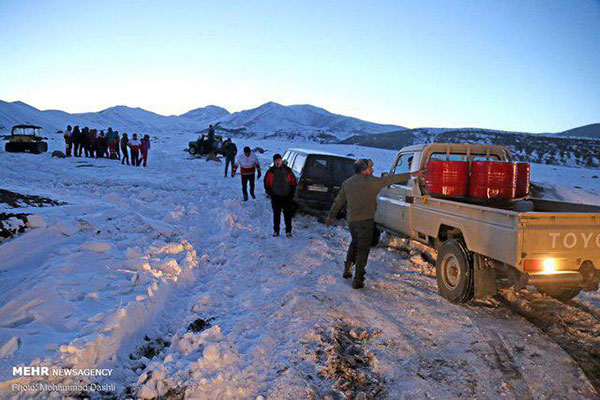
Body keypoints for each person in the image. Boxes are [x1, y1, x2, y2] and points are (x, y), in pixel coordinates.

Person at [326, 159, 423, 289]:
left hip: (352, 222)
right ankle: (358, 279)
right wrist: (413, 174)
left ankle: (347, 269)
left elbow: (338, 201)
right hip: (365, 222)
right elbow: (391, 179)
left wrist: (331, 216)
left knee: (354, 243)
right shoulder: (372, 182)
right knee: (363, 249)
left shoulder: (347, 183)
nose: (372, 170)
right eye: (370, 168)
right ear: (364, 170)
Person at [264, 153, 297, 237]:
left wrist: (291, 194)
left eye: (279, 160)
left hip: (287, 196)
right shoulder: (270, 171)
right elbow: (266, 183)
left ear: (281, 160)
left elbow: (293, 183)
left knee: (287, 215)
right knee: (276, 214)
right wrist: (270, 193)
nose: (277, 162)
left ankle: (288, 231)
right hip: (276, 196)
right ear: (274, 162)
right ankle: (276, 231)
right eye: (276, 161)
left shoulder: (288, 170)